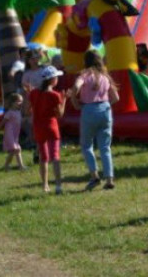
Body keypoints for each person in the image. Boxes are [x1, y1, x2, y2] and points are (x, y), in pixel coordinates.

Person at [68, 50, 120, 191]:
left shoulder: (84, 75)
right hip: (105, 110)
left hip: (89, 110)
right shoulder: (105, 77)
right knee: (105, 147)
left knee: (86, 145)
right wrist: (105, 104)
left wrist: (75, 101)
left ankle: (94, 176)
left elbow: (76, 87)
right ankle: (109, 178)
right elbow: (116, 98)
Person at [30, 65, 66, 194]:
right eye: (56, 77)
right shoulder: (55, 95)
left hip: (38, 127)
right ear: (52, 80)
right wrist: (65, 99)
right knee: (55, 156)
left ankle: (45, 185)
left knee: (43, 157)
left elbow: (30, 108)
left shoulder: (33, 93)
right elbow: (60, 114)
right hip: (51, 127)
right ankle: (58, 185)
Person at [0, 93, 25, 170]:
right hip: (9, 134)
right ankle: (10, 165)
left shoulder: (18, 112)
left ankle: (18, 166)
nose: (21, 103)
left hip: (15, 135)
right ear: (12, 103)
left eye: (22, 101)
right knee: (15, 150)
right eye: (19, 101)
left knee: (16, 150)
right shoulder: (9, 113)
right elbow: (2, 123)